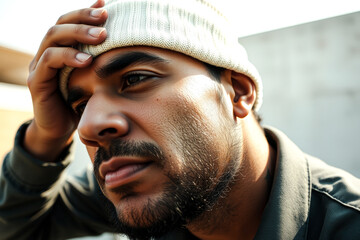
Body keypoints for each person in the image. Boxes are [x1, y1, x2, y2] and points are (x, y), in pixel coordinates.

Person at [1, 0, 360, 239]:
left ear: (237, 91)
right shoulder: (132, 186)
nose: (89, 127)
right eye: (80, 105)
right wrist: (45, 135)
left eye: (135, 79)